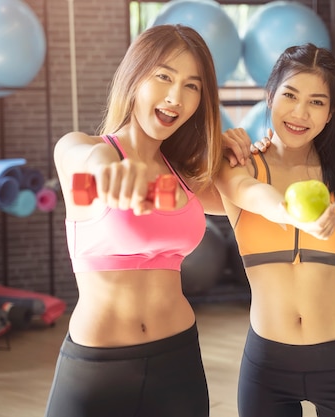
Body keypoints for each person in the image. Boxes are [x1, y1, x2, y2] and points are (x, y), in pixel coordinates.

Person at [45, 24, 262, 417]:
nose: (175, 97)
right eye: (164, 76)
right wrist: (107, 170)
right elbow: (85, 161)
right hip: (98, 368)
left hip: (177, 361)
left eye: (192, 86)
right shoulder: (84, 149)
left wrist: (242, 153)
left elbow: (249, 198)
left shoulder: (184, 176)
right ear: (134, 76)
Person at [213, 43, 335, 417]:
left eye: (316, 102)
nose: (299, 113)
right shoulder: (240, 168)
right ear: (270, 95)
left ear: (330, 113)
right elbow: (250, 194)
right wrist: (291, 213)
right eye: (290, 96)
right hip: (267, 364)